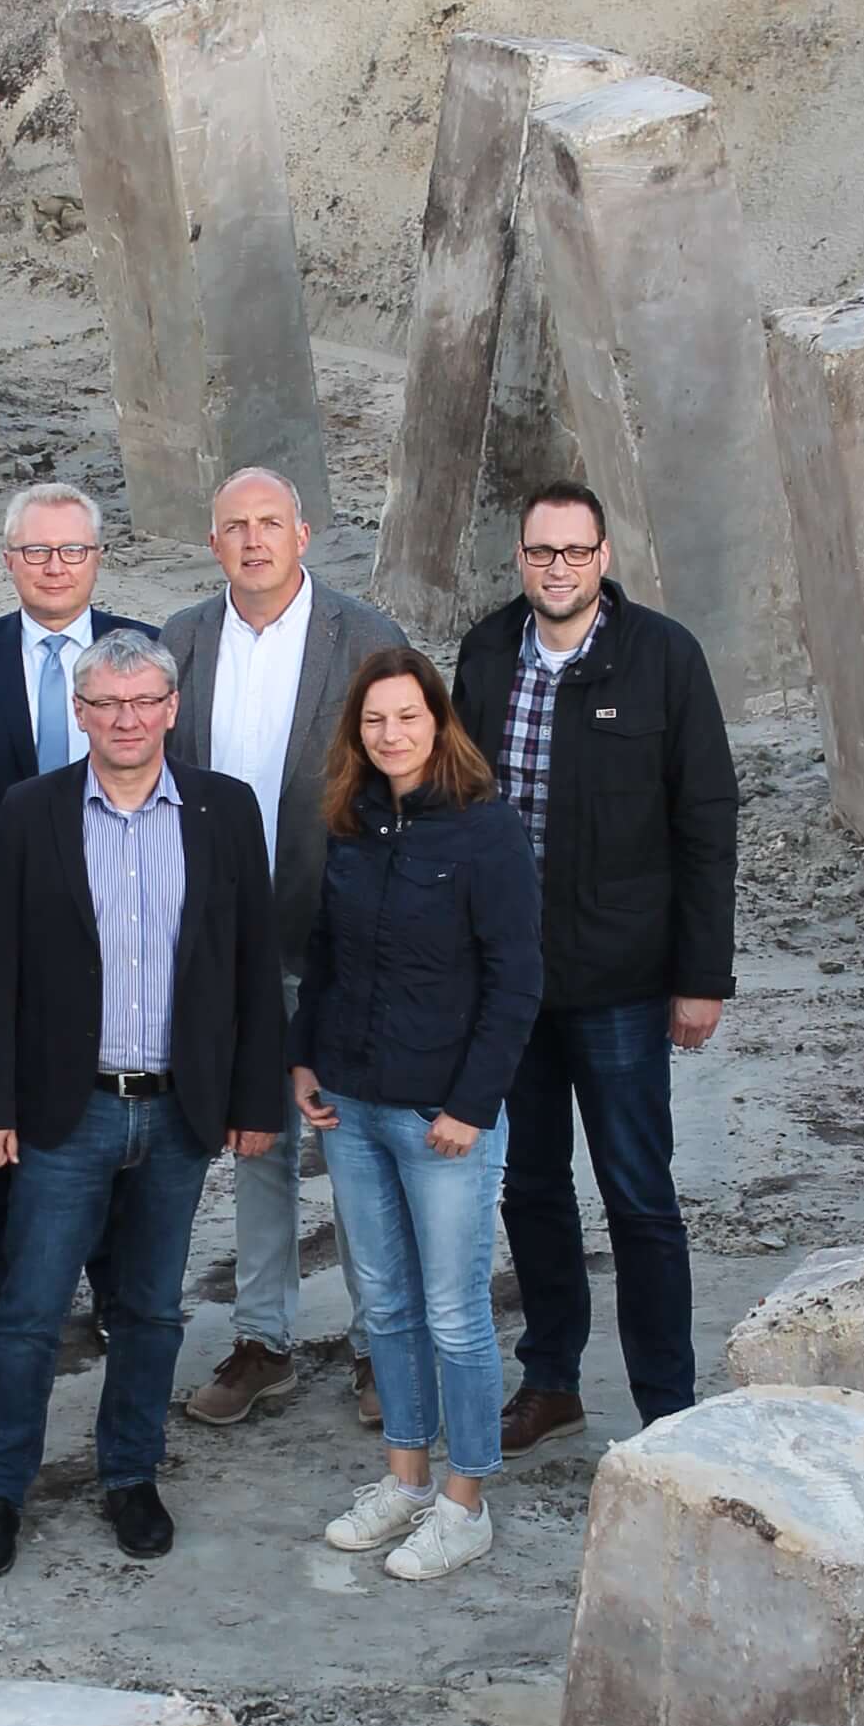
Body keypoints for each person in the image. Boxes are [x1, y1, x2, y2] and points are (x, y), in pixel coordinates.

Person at [0, 633, 287, 1576]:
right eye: (106, 703)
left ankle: (131, 1474)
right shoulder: (32, 811)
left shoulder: (226, 809)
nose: (126, 720)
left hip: (179, 1112)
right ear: (81, 712)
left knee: (151, 1311)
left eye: (143, 702)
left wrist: (255, 1096)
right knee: (29, 1312)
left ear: (172, 708)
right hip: (68, 1111)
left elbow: (253, 965)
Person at [451, 478, 738, 1443]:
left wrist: (701, 978)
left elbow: (706, 824)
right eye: (542, 551)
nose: (558, 567)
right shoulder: (487, 653)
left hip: (621, 982)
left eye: (576, 551)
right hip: (510, 985)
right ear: (520, 558)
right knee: (530, 1189)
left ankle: (667, 1407)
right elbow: (456, 808)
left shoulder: (663, 657)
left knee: (638, 1196)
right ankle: (553, 1380)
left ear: (604, 557)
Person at [292, 649, 541, 1582]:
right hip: (352, 1107)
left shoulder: (486, 830)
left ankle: (464, 1502)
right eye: (373, 721)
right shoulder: (352, 822)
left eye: (407, 717)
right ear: (356, 734)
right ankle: (405, 1479)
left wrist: (472, 1106)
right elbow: (326, 953)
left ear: (438, 722)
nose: (390, 735)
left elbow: (517, 979)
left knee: (455, 1312)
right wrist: (306, 1057)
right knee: (386, 1304)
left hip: (443, 1118)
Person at [161, 470, 401, 1432]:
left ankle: (380, 1346)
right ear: (212, 542)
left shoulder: (367, 638)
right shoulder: (180, 641)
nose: (254, 540)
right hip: (225, 943)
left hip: (339, 938)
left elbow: (405, 782)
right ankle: (264, 1341)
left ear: (304, 534)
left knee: (353, 1147)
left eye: (271, 523)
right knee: (255, 1141)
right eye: (236, 526)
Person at [0, 482, 152, 1345]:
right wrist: (5, 877)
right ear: (9, 561)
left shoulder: (146, 649)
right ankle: (14, 1283)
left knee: (120, 1105)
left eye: (72, 551)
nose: (55, 567)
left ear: (97, 558)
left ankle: (116, 1290)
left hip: (126, 927)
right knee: (7, 1112)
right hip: (2, 925)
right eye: (36, 551)